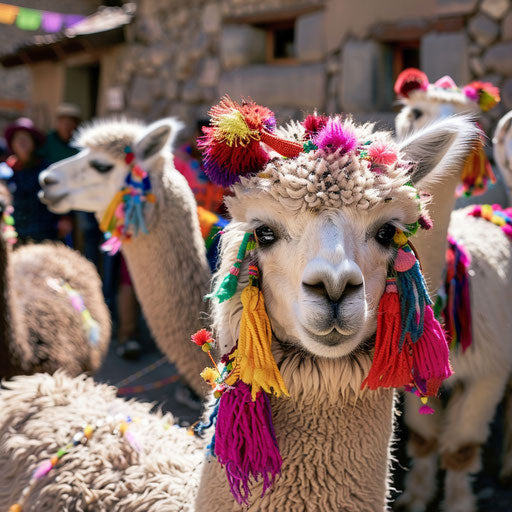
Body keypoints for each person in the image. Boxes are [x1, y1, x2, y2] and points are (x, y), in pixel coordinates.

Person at [4, 118, 59, 243]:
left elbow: (59, 195)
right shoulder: (5, 172)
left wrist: (65, 219)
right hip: (12, 234)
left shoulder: (47, 170)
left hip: (44, 233)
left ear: (34, 142)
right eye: (18, 139)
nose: (22, 142)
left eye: (26, 138)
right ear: (12, 143)